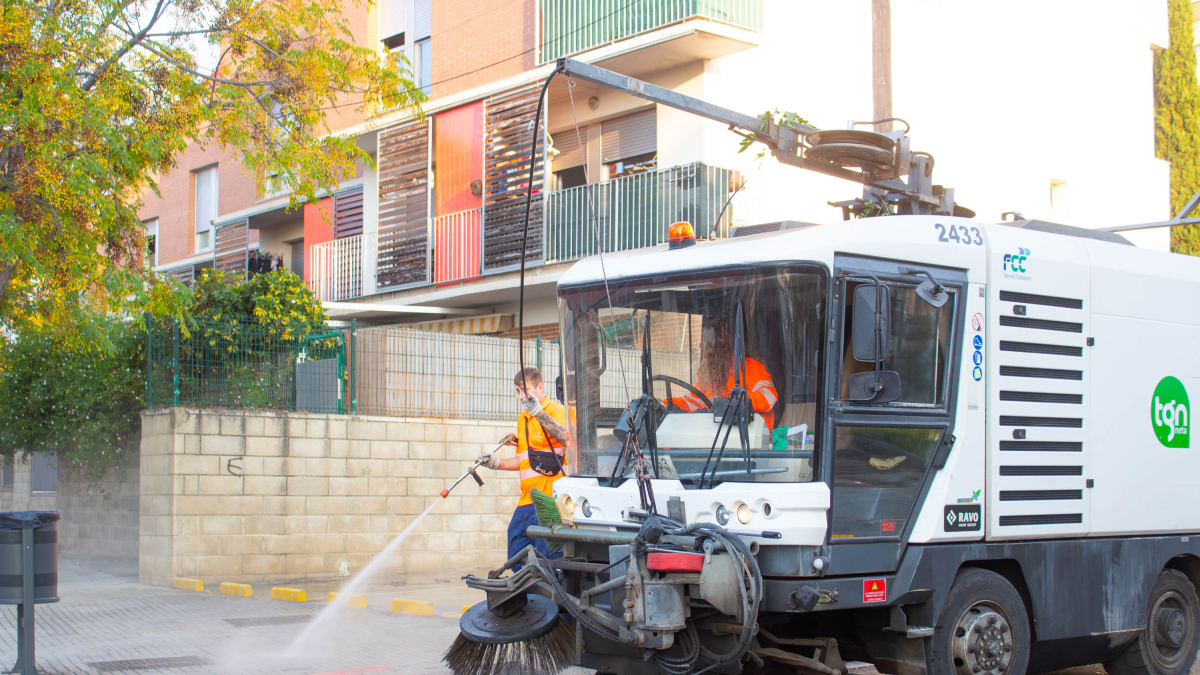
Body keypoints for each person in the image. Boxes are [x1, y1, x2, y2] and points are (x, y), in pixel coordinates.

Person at [478, 366, 570, 563]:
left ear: (540, 387)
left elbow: (566, 438)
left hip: (549, 500)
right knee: (516, 554)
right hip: (527, 500)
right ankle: (532, 590)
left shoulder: (557, 411)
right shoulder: (523, 419)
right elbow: (524, 462)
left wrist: (539, 413)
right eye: (518, 391)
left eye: (525, 390)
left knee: (549, 558)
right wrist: (496, 463)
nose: (521, 396)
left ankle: (550, 592)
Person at [669, 319, 779, 428]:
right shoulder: (712, 375)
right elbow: (692, 400)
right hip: (719, 438)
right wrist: (665, 404)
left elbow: (769, 396)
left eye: (705, 340)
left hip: (753, 441)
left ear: (720, 342)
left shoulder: (750, 367)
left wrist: (728, 401)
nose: (700, 345)